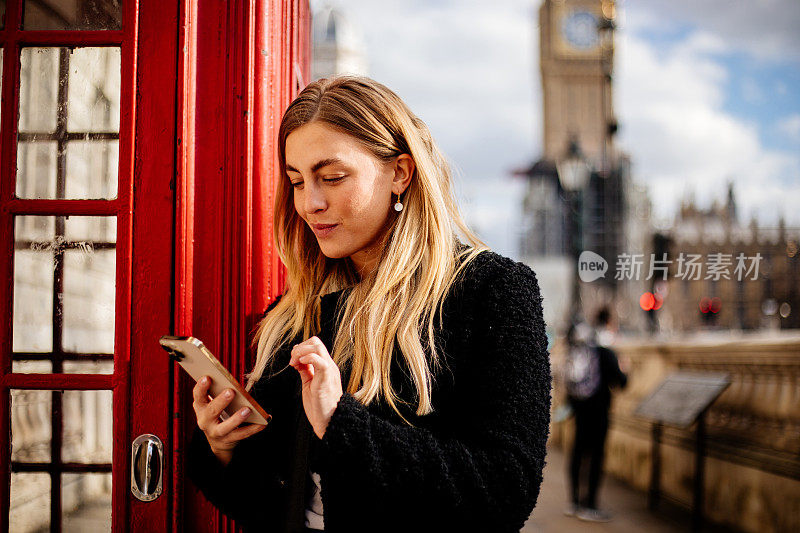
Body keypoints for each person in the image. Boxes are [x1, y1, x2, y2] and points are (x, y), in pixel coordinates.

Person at [186, 75, 552, 533]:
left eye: (332, 177)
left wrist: (341, 424)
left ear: (399, 172)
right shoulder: (295, 313)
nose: (310, 203)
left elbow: (506, 490)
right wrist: (223, 450)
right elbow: (272, 506)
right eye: (297, 182)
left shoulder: (492, 290)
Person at [563, 306, 628, 523]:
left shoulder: (583, 348)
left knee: (578, 452)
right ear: (608, 322)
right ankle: (590, 504)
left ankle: (573, 502)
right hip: (599, 412)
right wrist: (624, 369)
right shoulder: (606, 351)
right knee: (596, 456)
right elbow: (621, 383)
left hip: (580, 410)